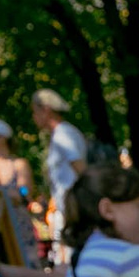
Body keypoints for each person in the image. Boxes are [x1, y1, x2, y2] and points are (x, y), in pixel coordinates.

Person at [32, 90, 88, 258]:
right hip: (68, 209)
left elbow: (81, 169)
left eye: (35, 111)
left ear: (46, 110)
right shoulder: (61, 134)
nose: (34, 117)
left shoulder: (63, 134)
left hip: (72, 210)